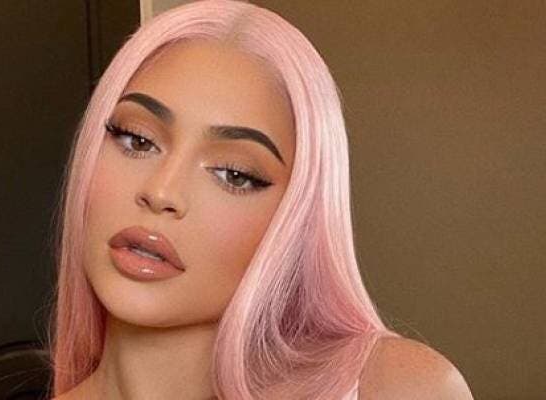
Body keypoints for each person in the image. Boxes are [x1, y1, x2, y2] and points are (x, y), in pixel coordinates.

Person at [46, 1, 474, 399]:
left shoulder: (394, 387)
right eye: (137, 140)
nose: (161, 193)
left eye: (235, 175)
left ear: (296, 218)